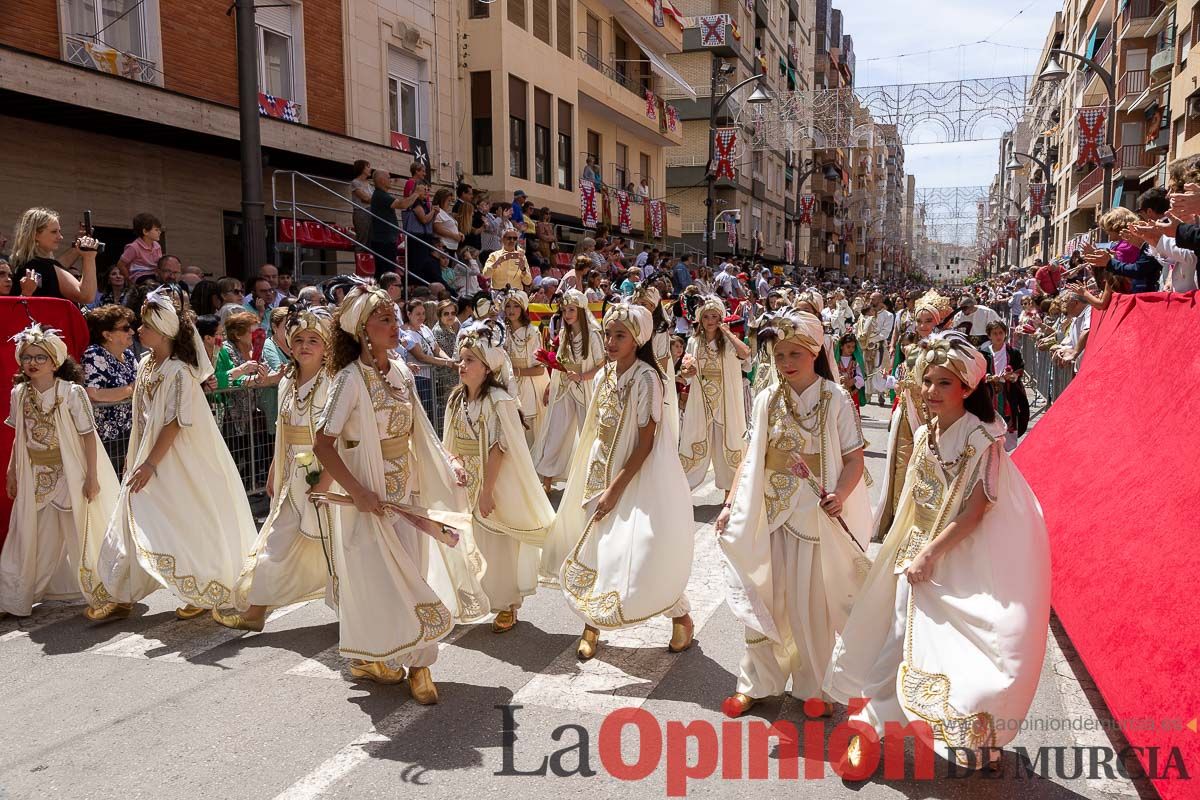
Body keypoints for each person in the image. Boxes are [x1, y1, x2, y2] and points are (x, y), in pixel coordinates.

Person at [825, 331, 1051, 773]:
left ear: (967, 388)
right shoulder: (927, 430)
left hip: (957, 558)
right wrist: (897, 547)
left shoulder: (983, 439)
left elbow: (978, 508)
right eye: (927, 381)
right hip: (916, 555)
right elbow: (913, 498)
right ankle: (872, 723)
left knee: (960, 654)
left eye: (943, 383)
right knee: (897, 642)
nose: (930, 391)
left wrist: (932, 553)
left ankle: (971, 735)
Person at [312, 284, 487, 697]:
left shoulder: (403, 371)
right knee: (377, 579)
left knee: (412, 570)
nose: (395, 327)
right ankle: (378, 655)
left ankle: (420, 665)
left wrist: (448, 463)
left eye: (394, 318)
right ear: (361, 330)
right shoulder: (349, 379)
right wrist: (357, 493)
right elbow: (323, 442)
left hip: (406, 489)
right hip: (367, 496)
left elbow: (420, 431)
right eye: (384, 320)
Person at [715, 311, 872, 717]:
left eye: (794, 354)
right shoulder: (767, 397)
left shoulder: (835, 398)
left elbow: (855, 459)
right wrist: (731, 504)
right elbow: (750, 460)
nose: (785, 362)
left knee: (810, 605)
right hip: (769, 513)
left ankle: (812, 688)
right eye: (779, 353)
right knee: (765, 599)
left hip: (813, 517)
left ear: (814, 353)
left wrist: (839, 494)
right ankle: (756, 682)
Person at [86, 287, 260, 622]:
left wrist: (151, 463)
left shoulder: (179, 370)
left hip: (178, 460)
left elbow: (176, 422)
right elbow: (142, 415)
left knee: (186, 520)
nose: (139, 331)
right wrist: (136, 454)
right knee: (129, 516)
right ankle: (121, 593)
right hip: (149, 456)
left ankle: (199, 588)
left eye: (145, 326)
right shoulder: (146, 364)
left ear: (163, 331)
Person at [540, 303, 695, 660]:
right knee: (595, 548)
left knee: (639, 552)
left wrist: (616, 489)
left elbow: (646, 442)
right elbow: (593, 428)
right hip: (599, 472)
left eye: (619, 336)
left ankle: (681, 615)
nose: (610, 342)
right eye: (608, 334)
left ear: (636, 340)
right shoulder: (605, 375)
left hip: (634, 477)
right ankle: (591, 625)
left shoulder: (647, 379)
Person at [213, 305, 336, 632]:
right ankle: (256, 611)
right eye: (298, 339)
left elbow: (341, 439)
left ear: (327, 347)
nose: (304, 346)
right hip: (294, 477)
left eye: (313, 339)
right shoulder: (287, 381)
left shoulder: (334, 383)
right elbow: (283, 432)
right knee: (276, 542)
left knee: (340, 544)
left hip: (330, 477)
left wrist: (326, 479)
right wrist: (272, 470)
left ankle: (358, 611)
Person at [2, 325, 120, 619]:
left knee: (82, 530)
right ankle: (14, 596)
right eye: (27, 357)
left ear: (55, 362)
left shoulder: (71, 392)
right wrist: (12, 471)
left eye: (40, 357)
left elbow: (88, 435)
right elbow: (19, 436)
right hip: (36, 474)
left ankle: (104, 591)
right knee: (28, 533)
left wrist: (91, 477)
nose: (33, 363)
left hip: (71, 473)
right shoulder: (19, 393)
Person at [445, 322, 554, 633]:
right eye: (461, 359)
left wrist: (488, 490)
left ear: (487, 367)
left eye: (470, 360)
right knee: (469, 539)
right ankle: (473, 595)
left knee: (498, 538)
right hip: (466, 476)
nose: (462, 366)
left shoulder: (498, 400)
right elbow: (449, 440)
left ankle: (507, 602)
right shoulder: (457, 398)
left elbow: (499, 447)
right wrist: (453, 465)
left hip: (495, 478)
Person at [874, 289, 952, 542]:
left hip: (932, 415)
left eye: (928, 321)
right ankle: (898, 521)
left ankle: (927, 522)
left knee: (929, 466)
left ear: (937, 321)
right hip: (908, 413)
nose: (922, 326)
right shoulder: (911, 348)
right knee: (902, 464)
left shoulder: (943, 347)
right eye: (919, 321)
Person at [531, 290, 604, 491]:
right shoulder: (564, 334)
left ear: (581, 310)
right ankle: (546, 481)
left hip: (584, 388)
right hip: (563, 388)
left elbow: (601, 364)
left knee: (589, 432)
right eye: (565, 310)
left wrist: (582, 376)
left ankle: (593, 480)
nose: (568, 314)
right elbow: (559, 363)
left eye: (572, 309)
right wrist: (550, 385)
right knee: (555, 432)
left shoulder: (594, 335)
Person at [678, 297, 749, 498]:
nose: (711, 321)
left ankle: (730, 493)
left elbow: (745, 354)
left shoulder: (728, 341)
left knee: (727, 441)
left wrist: (728, 333)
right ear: (700, 319)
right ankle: (683, 491)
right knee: (695, 438)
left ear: (721, 318)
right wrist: (687, 370)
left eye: (715, 316)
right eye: (707, 317)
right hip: (702, 399)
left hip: (726, 400)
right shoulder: (693, 341)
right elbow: (685, 370)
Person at [82, 305, 138, 471]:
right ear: (107, 335)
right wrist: (130, 390)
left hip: (131, 432)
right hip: (108, 437)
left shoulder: (128, 355)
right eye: (125, 328)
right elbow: (93, 393)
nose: (132, 332)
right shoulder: (94, 354)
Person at [8, 208, 100, 304]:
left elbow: (57, 267)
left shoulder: (27, 264)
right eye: (54, 232)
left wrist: (79, 245)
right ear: (35, 235)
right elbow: (86, 296)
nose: (60, 237)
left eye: (59, 231)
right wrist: (89, 257)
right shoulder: (43, 267)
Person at [500, 290, 549, 446]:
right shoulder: (501, 331)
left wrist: (517, 372)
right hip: (507, 385)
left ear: (523, 309)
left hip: (528, 388)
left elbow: (540, 369)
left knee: (527, 429)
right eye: (508, 306)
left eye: (516, 306)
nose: (511, 310)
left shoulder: (532, 332)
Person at [981, 320, 1029, 449]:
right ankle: (991, 445)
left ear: (1005, 334)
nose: (998, 336)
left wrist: (1012, 376)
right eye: (995, 333)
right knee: (991, 418)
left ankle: (1007, 447)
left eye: (1001, 333)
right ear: (989, 335)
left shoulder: (1013, 352)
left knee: (1008, 416)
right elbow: (979, 372)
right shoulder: (983, 353)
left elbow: (1019, 369)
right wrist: (990, 378)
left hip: (1009, 391)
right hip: (990, 392)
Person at [117, 212, 163, 283]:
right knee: (151, 284)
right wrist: (129, 280)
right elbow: (120, 265)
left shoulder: (157, 246)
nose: (159, 232)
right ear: (145, 231)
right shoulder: (134, 247)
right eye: (156, 230)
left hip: (154, 275)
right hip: (140, 276)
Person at [432, 188, 464, 257]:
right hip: (445, 246)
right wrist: (454, 236)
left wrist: (458, 233)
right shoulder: (438, 212)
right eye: (448, 201)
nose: (450, 203)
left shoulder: (445, 213)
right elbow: (437, 229)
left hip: (452, 247)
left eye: (450, 201)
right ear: (441, 200)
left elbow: (449, 226)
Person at [350, 159, 374, 244]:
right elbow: (365, 198)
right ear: (362, 168)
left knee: (371, 240)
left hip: (371, 212)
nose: (370, 169)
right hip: (361, 212)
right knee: (362, 240)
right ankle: (360, 256)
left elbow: (371, 199)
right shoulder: (355, 182)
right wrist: (377, 200)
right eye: (368, 167)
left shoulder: (370, 185)